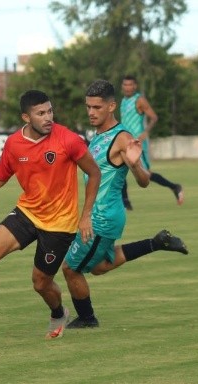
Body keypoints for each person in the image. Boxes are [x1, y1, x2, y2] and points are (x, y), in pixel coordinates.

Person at [0, 90, 101, 339]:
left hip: (59, 224)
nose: (48, 117)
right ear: (26, 117)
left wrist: (86, 215)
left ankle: (58, 313)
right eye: (41, 113)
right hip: (28, 212)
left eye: (50, 111)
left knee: (40, 283)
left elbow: (94, 172)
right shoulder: (14, 143)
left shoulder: (68, 140)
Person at [62, 79, 188, 329]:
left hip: (102, 218)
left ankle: (87, 318)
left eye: (97, 107)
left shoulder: (122, 138)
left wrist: (135, 163)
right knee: (99, 266)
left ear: (111, 106)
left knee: (70, 269)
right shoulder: (98, 135)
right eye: (88, 107)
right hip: (104, 215)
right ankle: (157, 242)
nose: (91, 112)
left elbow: (143, 181)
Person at [120, 74, 184, 210]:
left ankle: (174, 187)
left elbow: (154, 117)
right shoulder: (123, 101)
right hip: (125, 142)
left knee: (146, 174)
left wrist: (145, 132)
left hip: (137, 143)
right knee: (119, 169)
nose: (127, 87)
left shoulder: (139, 100)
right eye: (125, 84)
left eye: (130, 85)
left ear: (135, 86)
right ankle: (126, 203)